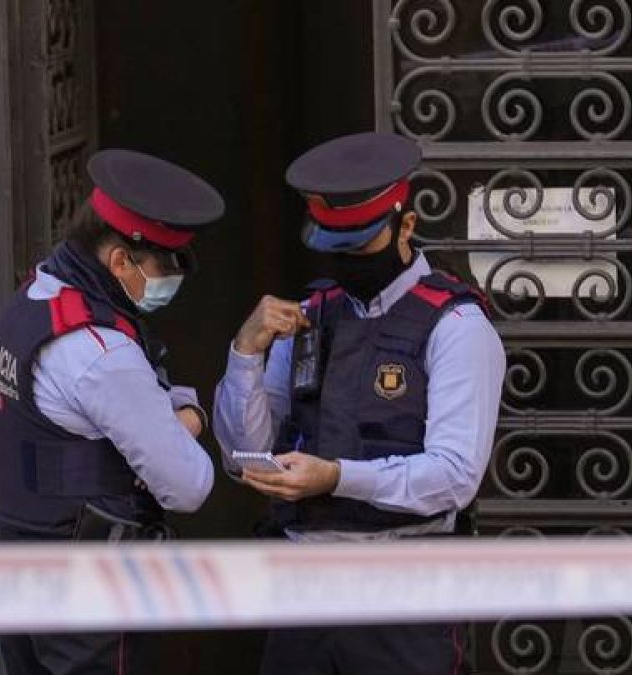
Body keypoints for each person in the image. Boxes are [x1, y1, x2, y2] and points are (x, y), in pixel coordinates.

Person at [213, 132, 506, 675]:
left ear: (407, 226)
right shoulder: (309, 317)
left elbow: (455, 475)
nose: (345, 260)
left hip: (403, 591)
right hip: (304, 590)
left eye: (360, 244)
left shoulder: (457, 327)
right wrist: (245, 355)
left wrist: (336, 477)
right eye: (333, 247)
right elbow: (243, 455)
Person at [0, 149, 224, 675]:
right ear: (120, 261)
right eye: (167, 268)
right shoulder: (101, 352)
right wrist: (190, 420)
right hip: (87, 591)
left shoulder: (34, 297)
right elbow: (187, 486)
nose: (173, 283)